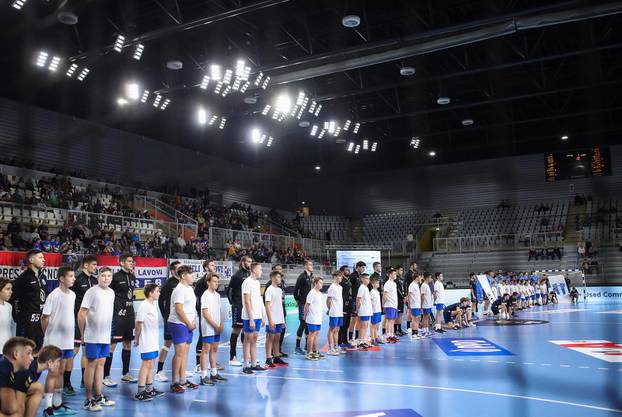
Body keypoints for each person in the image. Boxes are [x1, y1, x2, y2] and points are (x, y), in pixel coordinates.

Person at [78, 267, 116, 412]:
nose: (106, 278)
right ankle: (88, 399)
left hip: (105, 336)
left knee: (101, 365)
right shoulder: (92, 291)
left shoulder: (111, 293)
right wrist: (83, 334)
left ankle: (99, 395)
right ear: (98, 277)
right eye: (103, 276)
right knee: (91, 365)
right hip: (92, 336)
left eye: (109, 276)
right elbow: (82, 313)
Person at [41, 266, 76, 416]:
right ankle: (48, 407)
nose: (73, 278)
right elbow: (45, 317)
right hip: (54, 341)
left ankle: (57, 403)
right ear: (61, 278)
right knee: (52, 373)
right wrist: (48, 335)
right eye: (70, 276)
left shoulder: (73, 295)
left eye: (74, 276)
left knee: (61, 371)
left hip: (67, 340)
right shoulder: (53, 295)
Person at [104, 254, 137, 387]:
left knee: (127, 344)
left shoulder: (133, 277)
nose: (131, 263)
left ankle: (125, 374)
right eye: (129, 261)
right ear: (122, 263)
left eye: (132, 261)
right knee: (112, 345)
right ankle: (106, 376)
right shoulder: (115, 278)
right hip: (118, 316)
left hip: (129, 315)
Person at [167, 265, 198, 393]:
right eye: (190, 274)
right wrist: (188, 323)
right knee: (179, 353)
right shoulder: (179, 290)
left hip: (188, 324)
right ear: (184, 276)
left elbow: (192, 308)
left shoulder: (190, 289)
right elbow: (179, 310)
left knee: (185, 353)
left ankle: (183, 380)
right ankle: (174, 382)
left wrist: (194, 320)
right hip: (178, 324)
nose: (193, 276)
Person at [69, 255, 98, 393]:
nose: (95, 267)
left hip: (90, 321)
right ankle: (66, 383)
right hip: (77, 319)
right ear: (85, 265)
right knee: (73, 351)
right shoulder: (77, 279)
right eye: (93, 265)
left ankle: (83, 381)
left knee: (86, 351)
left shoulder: (94, 280)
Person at [11, 249, 47, 352]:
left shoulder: (43, 277)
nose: (43, 260)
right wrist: (19, 318)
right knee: (24, 352)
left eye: (43, 257)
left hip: (39, 323)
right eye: (40, 257)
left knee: (38, 352)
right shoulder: (23, 278)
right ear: (31, 260)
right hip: (26, 324)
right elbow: (14, 298)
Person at [134, 283, 165, 401]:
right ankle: (140, 391)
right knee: (146, 364)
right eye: (157, 291)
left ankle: (149, 388)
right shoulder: (144, 305)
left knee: (151, 363)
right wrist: (137, 338)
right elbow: (138, 322)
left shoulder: (153, 305)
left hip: (153, 339)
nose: (159, 293)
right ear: (151, 293)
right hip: (146, 340)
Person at [16, 345, 61, 417]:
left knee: (38, 392)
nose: (59, 364)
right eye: (58, 361)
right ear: (49, 362)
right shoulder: (27, 369)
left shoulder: (37, 368)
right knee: (39, 388)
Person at [199, 273, 228, 385]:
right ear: (208, 282)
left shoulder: (217, 295)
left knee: (214, 349)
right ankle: (203, 375)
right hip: (208, 327)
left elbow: (219, 311)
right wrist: (215, 325)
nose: (216, 283)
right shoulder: (205, 295)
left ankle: (214, 373)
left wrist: (220, 324)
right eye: (214, 281)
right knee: (206, 350)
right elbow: (205, 313)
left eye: (217, 281)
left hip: (216, 326)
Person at [156, 260, 181, 382]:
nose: (181, 270)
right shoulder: (168, 284)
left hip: (181, 319)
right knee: (167, 344)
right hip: (170, 318)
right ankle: (159, 371)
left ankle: (180, 369)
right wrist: (165, 315)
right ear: (172, 271)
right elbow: (161, 301)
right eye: (178, 268)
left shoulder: (182, 283)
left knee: (180, 345)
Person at [0, 337, 35, 417]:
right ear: (16, 354)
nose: (32, 358)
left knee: (37, 389)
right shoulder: (5, 367)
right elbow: (10, 408)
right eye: (28, 353)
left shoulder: (7, 366)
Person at [226, 256, 251, 367]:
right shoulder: (237, 275)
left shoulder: (249, 275)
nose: (250, 263)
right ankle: (232, 357)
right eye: (248, 261)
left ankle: (246, 356)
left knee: (246, 331)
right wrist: (234, 303)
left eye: (251, 262)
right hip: (238, 306)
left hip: (246, 306)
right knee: (236, 330)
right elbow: (229, 290)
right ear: (243, 262)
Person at [241, 263, 266, 374]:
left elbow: (259, 300)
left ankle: (254, 364)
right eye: (260, 269)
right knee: (247, 340)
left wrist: (262, 315)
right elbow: (247, 301)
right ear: (254, 269)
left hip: (257, 316)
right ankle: (246, 365)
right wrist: (251, 318)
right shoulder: (247, 282)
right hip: (249, 316)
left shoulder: (257, 282)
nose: (261, 271)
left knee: (254, 339)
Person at [194, 259, 217, 372]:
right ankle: (198, 364)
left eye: (214, 264)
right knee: (202, 336)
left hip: (213, 312)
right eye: (212, 265)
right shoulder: (200, 282)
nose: (214, 266)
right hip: (203, 312)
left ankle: (212, 362)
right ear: (206, 268)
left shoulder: (214, 281)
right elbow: (197, 300)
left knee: (212, 338)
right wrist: (200, 312)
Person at [264, 270, 287, 367]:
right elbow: (267, 305)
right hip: (272, 318)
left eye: (280, 277)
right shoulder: (269, 289)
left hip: (279, 318)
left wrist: (283, 320)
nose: (280, 279)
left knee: (277, 337)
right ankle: (268, 358)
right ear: (273, 277)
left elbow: (280, 306)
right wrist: (270, 320)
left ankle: (276, 357)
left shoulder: (279, 290)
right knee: (270, 338)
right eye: (278, 277)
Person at [293, 260, 313, 355]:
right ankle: (297, 347)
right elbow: (296, 290)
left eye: (312, 264)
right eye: (310, 264)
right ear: (305, 266)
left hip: (309, 304)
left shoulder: (311, 276)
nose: (311, 266)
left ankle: (306, 345)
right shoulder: (301, 277)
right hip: (302, 303)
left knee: (307, 324)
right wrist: (299, 301)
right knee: (303, 324)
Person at [304, 277, 324, 361]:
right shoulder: (312, 293)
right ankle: (309, 353)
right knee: (311, 335)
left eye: (322, 283)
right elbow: (306, 305)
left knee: (316, 335)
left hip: (318, 318)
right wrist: (305, 316)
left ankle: (315, 351)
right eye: (320, 283)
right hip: (312, 318)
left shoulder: (320, 294)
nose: (321, 285)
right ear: (315, 283)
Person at [326, 271, 344, 355]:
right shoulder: (332, 287)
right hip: (334, 311)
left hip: (339, 311)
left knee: (337, 329)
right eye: (338, 276)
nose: (340, 278)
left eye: (340, 276)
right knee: (332, 329)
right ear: (334, 277)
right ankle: (330, 348)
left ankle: (336, 346)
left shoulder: (340, 287)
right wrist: (329, 309)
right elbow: (328, 299)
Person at [347, 262, 366, 343]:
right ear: (358, 267)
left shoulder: (360, 276)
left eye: (364, 268)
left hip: (359, 300)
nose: (363, 269)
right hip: (354, 300)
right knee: (353, 320)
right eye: (362, 267)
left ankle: (358, 337)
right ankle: (350, 338)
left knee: (359, 319)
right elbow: (349, 288)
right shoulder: (353, 276)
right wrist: (351, 299)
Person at [355, 274, 372, 348]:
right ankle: (360, 342)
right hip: (363, 310)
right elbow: (358, 299)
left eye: (368, 278)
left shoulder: (366, 288)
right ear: (362, 279)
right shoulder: (361, 288)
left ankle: (363, 340)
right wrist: (358, 309)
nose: (368, 280)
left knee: (366, 326)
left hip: (367, 310)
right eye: (366, 278)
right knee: (363, 326)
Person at [382, 268, 398, 343]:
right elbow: (385, 295)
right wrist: (383, 304)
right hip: (389, 304)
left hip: (394, 304)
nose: (395, 275)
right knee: (389, 320)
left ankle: (392, 335)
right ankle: (388, 335)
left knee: (392, 321)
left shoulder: (394, 283)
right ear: (390, 275)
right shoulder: (387, 283)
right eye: (394, 274)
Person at [337, 266, 352, 346]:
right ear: (342, 272)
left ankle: (345, 340)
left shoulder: (347, 280)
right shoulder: (341, 281)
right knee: (342, 324)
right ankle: (339, 341)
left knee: (347, 324)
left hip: (349, 305)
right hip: (343, 306)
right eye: (346, 269)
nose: (348, 270)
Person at [0, 279, 14, 353]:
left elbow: (9, 328)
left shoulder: (9, 306)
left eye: (11, 289)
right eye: (7, 289)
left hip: (7, 350)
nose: (11, 292)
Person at [408, 272, 423, 340]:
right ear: (416, 277)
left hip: (417, 305)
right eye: (420, 277)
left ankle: (416, 332)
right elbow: (409, 295)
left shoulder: (417, 285)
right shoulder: (412, 285)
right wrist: (409, 304)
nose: (421, 278)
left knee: (417, 319)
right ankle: (413, 333)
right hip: (414, 305)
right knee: (414, 319)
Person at [370, 277, 382, 345]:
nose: (378, 284)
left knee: (376, 325)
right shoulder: (372, 292)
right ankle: (373, 339)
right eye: (376, 283)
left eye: (378, 283)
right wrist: (371, 310)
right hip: (374, 310)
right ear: (372, 284)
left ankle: (376, 337)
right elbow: (371, 301)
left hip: (378, 310)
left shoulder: (377, 291)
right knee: (373, 325)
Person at [394, 265, 406, 336]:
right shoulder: (396, 279)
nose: (402, 272)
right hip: (398, 299)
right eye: (400, 270)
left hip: (401, 299)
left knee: (400, 315)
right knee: (397, 315)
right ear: (397, 270)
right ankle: (396, 330)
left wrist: (405, 296)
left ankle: (400, 329)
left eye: (402, 270)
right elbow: (398, 290)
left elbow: (402, 288)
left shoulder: (401, 279)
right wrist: (403, 296)